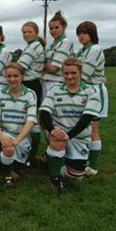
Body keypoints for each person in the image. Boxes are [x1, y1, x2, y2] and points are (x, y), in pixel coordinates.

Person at [40, 58, 101, 195]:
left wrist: (70, 135)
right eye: (66, 73)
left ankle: (53, 159)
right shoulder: (55, 90)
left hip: (79, 137)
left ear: (80, 73)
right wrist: (52, 130)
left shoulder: (91, 92)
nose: (69, 76)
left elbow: (87, 118)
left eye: (73, 73)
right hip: (60, 134)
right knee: (57, 140)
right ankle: (55, 179)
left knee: (75, 177)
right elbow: (44, 111)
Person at [0, 63, 37, 189]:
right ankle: (7, 179)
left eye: (15, 76)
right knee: (8, 149)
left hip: (21, 137)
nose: (12, 79)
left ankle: (0, 159)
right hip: (5, 133)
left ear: (22, 76)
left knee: (16, 174)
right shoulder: (0, 94)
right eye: (9, 76)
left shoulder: (30, 94)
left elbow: (31, 121)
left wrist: (18, 140)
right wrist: (1, 136)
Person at [76, 21, 107, 176]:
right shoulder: (81, 50)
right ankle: (83, 159)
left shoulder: (95, 49)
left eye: (84, 33)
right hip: (84, 90)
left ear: (92, 34)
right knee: (85, 127)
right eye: (79, 33)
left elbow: (84, 73)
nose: (80, 36)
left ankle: (93, 167)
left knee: (94, 129)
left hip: (94, 90)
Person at [17, 21, 45, 165]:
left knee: (32, 121)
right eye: (24, 32)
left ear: (36, 33)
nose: (26, 34)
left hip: (31, 84)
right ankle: (27, 152)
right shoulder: (30, 45)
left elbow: (20, 67)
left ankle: (32, 154)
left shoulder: (33, 46)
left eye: (29, 31)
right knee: (28, 120)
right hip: (30, 83)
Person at [42, 11, 74, 98]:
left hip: (58, 83)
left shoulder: (66, 42)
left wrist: (38, 63)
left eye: (57, 27)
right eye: (51, 28)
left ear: (64, 27)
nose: (53, 30)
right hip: (46, 82)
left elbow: (53, 68)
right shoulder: (50, 45)